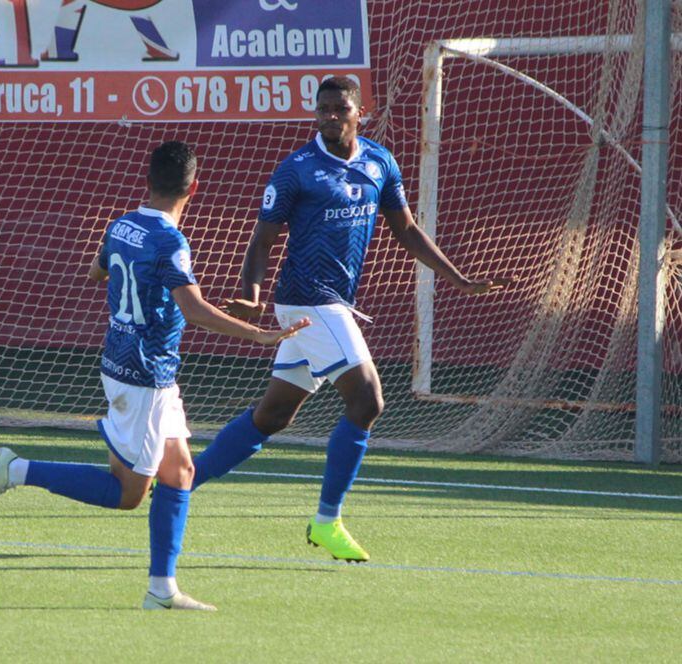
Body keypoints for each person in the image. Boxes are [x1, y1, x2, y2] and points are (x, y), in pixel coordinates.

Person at [0, 141, 308, 610]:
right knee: (129, 494)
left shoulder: (122, 225)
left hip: (138, 368)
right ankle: (17, 470)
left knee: (181, 472)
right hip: (143, 375)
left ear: (147, 182)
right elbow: (192, 309)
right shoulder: (170, 240)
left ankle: (162, 589)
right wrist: (259, 336)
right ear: (194, 186)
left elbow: (96, 272)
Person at [189, 76, 510, 562]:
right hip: (307, 300)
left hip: (331, 302)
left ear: (361, 111)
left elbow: (406, 229)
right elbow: (261, 243)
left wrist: (458, 278)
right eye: (323, 109)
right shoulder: (297, 170)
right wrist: (251, 296)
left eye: (340, 108)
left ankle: (180, 484)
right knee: (367, 400)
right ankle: (327, 521)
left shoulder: (380, 161)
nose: (330, 116)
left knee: (273, 415)